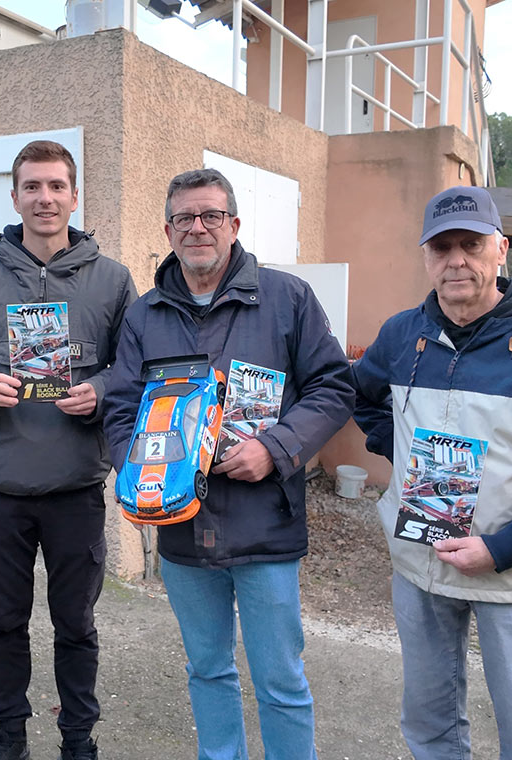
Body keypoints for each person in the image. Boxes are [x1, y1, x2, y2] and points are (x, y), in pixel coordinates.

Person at [352, 185, 512, 759]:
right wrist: (401, 453)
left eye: (470, 244)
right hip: (421, 568)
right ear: (426, 257)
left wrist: (502, 548)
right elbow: (364, 395)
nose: (456, 261)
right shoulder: (403, 334)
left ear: (501, 249)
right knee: (428, 724)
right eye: (441, 248)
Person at [103, 168, 354, 760]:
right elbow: (120, 410)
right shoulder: (144, 317)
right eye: (185, 218)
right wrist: (137, 475)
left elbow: (332, 388)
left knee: (280, 681)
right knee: (208, 670)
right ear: (168, 230)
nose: (198, 228)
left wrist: (276, 448)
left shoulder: (286, 298)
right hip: (183, 527)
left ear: (234, 225)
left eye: (211, 215)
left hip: (265, 524)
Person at [0, 140, 136, 760]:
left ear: (75, 196)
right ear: (15, 195)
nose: (44, 198)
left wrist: (100, 388)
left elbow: (134, 366)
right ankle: (8, 735)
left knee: (76, 625)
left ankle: (78, 738)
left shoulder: (113, 279)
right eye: (32, 187)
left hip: (76, 484)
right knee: (4, 624)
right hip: (1, 486)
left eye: (56, 186)